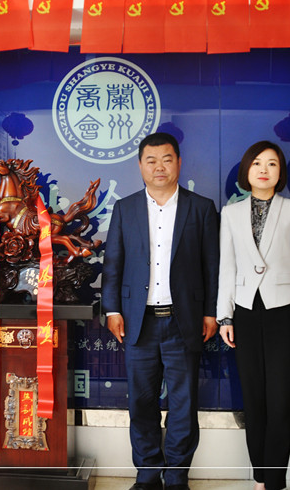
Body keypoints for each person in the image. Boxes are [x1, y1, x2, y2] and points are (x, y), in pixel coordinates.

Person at [102, 132, 220, 490]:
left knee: (184, 403)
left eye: (167, 159)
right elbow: (113, 263)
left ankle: (178, 475)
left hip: (184, 321)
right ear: (140, 165)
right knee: (141, 401)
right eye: (151, 160)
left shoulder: (201, 208)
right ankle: (148, 473)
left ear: (178, 163)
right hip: (137, 321)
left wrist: (211, 312)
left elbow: (212, 266)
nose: (159, 167)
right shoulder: (125, 208)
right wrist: (111, 309)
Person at [216, 141, 290, 490]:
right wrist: (224, 316)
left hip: (286, 311)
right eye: (257, 163)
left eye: (272, 163)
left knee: (280, 401)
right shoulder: (230, 213)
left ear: (281, 172)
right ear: (246, 171)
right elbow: (227, 267)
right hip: (245, 312)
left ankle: (275, 480)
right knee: (253, 399)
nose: (264, 169)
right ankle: (260, 477)